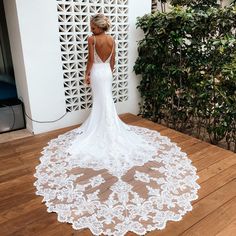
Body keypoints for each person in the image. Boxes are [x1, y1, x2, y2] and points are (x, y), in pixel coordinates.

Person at [34, 13, 200, 236]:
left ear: (96, 25)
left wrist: (86, 75)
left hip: (97, 72)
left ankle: (102, 126)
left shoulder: (92, 39)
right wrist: (107, 72)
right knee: (106, 102)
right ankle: (107, 124)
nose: (90, 27)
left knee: (101, 102)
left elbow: (90, 60)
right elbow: (113, 61)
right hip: (107, 74)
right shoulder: (112, 39)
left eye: (91, 24)